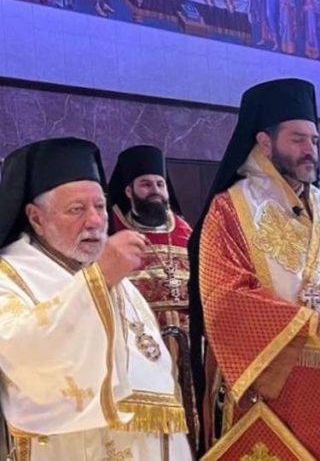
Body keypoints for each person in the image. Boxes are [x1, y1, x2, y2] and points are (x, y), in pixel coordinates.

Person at [187, 78, 320, 458]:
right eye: (297, 139)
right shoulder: (231, 209)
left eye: (314, 140)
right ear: (264, 142)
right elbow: (224, 296)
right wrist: (311, 324)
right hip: (273, 382)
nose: (309, 150)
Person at [0, 138, 190, 460]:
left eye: (100, 206)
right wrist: (98, 280)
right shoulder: (11, 276)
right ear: (36, 218)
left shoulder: (114, 279)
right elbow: (22, 352)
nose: (95, 221)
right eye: (77, 209)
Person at [107, 145, 200, 450]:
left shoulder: (186, 230)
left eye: (160, 184)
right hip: (139, 344)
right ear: (129, 190)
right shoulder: (112, 231)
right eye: (146, 184)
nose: (155, 191)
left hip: (189, 346)